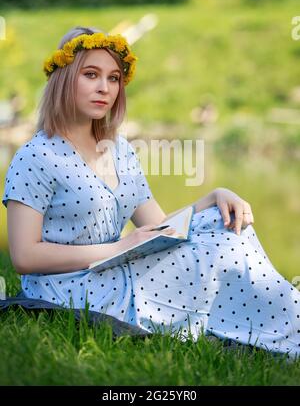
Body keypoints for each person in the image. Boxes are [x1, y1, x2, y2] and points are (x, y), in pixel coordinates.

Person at [2, 26, 300, 359]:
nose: (104, 88)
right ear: (63, 78)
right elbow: (24, 257)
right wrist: (116, 247)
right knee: (218, 253)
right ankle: (282, 334)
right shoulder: (36, 155)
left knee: (227, 227)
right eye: (91, 74)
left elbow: (160, 226)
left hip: (118, 267)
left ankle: (282, 331)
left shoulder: (119, 149)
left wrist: (214, 196)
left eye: (113, 78)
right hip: (72, 288)